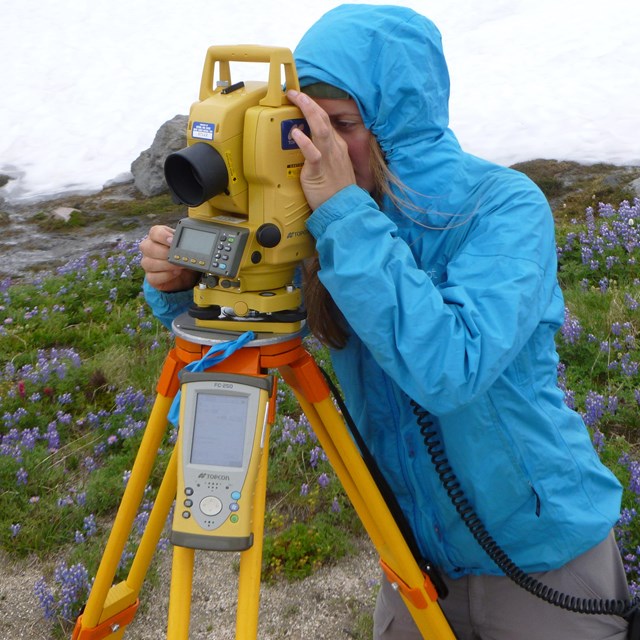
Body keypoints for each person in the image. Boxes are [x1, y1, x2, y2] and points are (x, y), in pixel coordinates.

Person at [140, 5, 632, 639]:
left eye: (340, 124)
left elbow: (450, 367)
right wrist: (184, 284)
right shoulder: (321, 221)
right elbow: (252, 313)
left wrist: (344, 214)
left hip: (544, 560)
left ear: (399, 126)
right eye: (301, 125)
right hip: (414, 565)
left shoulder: (503, 206)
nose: (315, 149)